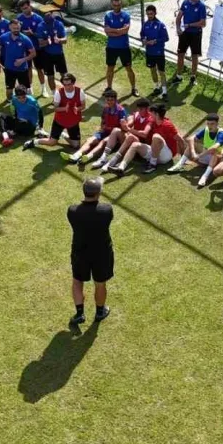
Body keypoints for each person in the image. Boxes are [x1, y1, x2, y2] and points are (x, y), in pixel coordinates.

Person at [67, 177, 114, 326]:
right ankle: (100, 312)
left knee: (77, 281)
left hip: (80, 252)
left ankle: (80, 314)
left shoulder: (72, 211)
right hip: (102, 253)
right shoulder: (106, 210)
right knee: (100, 284)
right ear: (98, 193)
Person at [106, 102, 186, 175]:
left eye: (151, 114)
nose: (149, 115)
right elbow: (143, 132)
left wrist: (182, 161)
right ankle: (121, 168)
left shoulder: (168, 125)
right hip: (155, 152)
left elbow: (180, 140)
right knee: (135, 145)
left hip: (166, 155)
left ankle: (152, 165)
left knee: (156, 136)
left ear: (156, 114)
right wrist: (127, 127)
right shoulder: (153, 121)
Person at [23, 72, 85, 151]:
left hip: (73, 122)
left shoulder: (80, 92)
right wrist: (64, 109)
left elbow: (83, 106)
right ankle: (33, 142)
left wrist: (78, 109)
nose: (67, 87)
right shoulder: (59, 93)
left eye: (69, 84)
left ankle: (63, 135)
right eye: (65, 85)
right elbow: (55, 108)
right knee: (52, 143)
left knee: (76, 146)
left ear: (73, 82)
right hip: (60, 121)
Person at [62, 89, 126, 164]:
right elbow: (103, 119)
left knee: (102, 142)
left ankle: (88, 157)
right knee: (90, 140)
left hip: (114, 135)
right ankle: (76, 156)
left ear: (115, 100)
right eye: (108, 100)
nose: (109, 102)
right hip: (105, 132)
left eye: (112, 100)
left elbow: (123, 127)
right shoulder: (106, 108)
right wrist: (102, 127)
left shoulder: (121, 110)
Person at [91, 97, 153, 170]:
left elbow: (144, 134)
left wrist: (129, 129)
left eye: (141, 109)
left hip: (141, 146)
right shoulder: (136, 114)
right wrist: (124, 125)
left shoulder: (151, 119)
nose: (139, 111)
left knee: (131, 137)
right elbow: (127, 126)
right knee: (116, 130)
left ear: (147, 109)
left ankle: (112, 162)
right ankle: (103, 158)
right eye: (138, 109)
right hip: (131, 141)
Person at [168, 112, 223, 178]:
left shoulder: (222, 133)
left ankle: (205, 176)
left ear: (217, 123)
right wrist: (193, 153)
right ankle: (179, 165)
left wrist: (199, 156)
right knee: (192, 145)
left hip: (215, 158)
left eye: (212, 124)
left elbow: (213, 148)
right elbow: (191, 139)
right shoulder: (206, 129)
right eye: (208, 123)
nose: (209, 126)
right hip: (206, 155)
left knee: (214, 151)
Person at [171, 0, 207, 88]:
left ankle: (193, 77)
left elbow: (203, 23)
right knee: (180, 54)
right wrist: (178, 28)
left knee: (194, 56)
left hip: (196, 34)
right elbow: (179, 18)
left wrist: (189, 25)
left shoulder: (202, 6)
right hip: (184, 34)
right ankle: (178, 76)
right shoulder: (185, 3)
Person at [103, 0, 137, 97]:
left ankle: (133, 88)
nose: (116, 6)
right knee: (110, 68)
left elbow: (125, 30)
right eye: (114, 5)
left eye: (118, 5)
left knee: (129, 68)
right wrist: (119, 32)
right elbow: (107, 31)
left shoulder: (126, 15)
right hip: (111, 47)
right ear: (112, 4)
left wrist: (114, 30)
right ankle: (109, 88)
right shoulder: (108, 16)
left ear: (121, 4)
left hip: (124, 47)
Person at [0, 18, 36, 101]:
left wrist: (22, 60)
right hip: (9, 69)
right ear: (10, 27)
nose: (16, 30)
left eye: (18, 28)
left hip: (22, 70)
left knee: (25, 91)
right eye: (14, 28)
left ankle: (26, 105)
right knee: (9, 90)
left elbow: (33, 53)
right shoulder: (3, 37)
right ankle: (11, 102)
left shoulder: (25, 39)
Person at [16, 0, 47, 96]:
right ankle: (30, 88)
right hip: (26, 49)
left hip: (37, 48)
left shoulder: (38, 19)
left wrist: (32, 33)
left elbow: (42, 34)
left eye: (26, 8)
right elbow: (16, 33)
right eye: (23, 9)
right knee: (28, 69)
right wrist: (22, 33)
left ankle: (44, 89)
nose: (25, 10)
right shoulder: (19, 19)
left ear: (30, 6)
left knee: (40, 69)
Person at [37, 7, 70, 95]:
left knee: (64, 75)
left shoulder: (59, 24)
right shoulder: (40, 26)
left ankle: (67, 93)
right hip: (47, 55)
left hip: (59, 54)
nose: (47, 16)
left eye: (49, 14)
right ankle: (54, 95)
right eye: (45, 15)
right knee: (50, 76)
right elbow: (40, 43)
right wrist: (47, 42)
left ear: (52, 15)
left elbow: (65, 40)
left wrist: (59, 40)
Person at [141, 4, 170, 100]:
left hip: (159, 53)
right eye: (148, 14)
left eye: (151, 13)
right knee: (152, 70)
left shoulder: (160, 25)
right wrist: (144, 40)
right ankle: (156, 87)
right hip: (149, 53)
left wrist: (156, 41)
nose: (149, 15)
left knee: (161, 72)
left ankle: (165, 92)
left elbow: (166, 38)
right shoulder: (145, 24)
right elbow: (142, 34)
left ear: (155, 13)